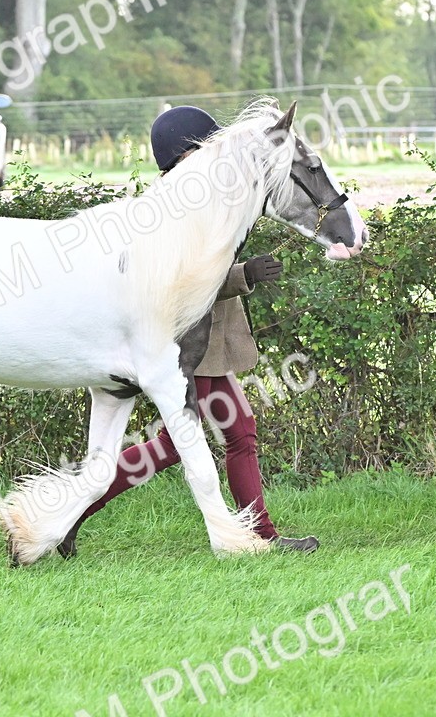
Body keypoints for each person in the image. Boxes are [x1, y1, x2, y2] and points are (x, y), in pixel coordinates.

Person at [61, 106, 320, 556]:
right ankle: (260, 536)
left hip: (203, 340)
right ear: (186, 154)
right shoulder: (174, 205)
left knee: (196, 441)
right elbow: (185, 280)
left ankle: (66, 516)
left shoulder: (197, 196)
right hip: (187, 341)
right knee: (210, 438)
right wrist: (245, 275)